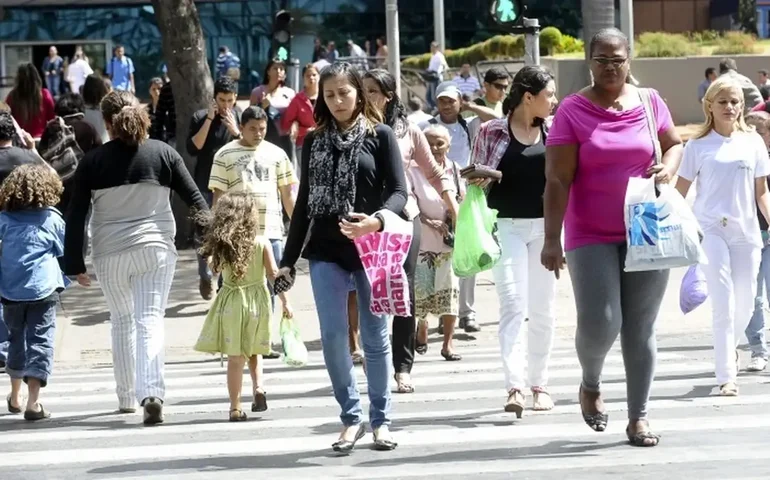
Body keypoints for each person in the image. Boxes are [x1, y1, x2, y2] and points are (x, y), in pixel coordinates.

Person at [541, 28, 683, 447]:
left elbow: (674, 144)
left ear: (629, 60)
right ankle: (590, 383)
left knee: (640, 327)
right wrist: (552, 238)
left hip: (645, 226)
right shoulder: (572, 110)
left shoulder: (649, 101)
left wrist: (669, 167)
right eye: (601, 59)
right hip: (589, 231)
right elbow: (557, 179)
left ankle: (638, 417)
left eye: (617, 59)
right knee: (602, 321)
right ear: (589, 61)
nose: (609, 67)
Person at [278, 62, 407, 452]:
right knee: (335, 339)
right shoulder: (314, 141)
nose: (337, 101)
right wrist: (287, 260)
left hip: (373, 248)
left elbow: (400, 192)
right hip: (326, 251)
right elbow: (302, 207)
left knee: (375, 337)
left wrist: (377, 221)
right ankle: (350, 417)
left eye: (344, 93)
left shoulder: (381, 135)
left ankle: (381, 420)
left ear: (360, 93)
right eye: (329, 95)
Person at [64, 91, 209, 425]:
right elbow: (197, 202)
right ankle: (152, 393)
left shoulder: (93, 161)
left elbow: (76, 214)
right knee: (149, 319)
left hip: (110, 253)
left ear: (106, 122)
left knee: (122, 321)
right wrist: (216, 245)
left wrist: (74, 263)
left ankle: (127, 397)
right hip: (155, 250)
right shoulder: (163, 154)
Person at [363, 69, 459, 393]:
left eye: (374, 91)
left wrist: (451, 204)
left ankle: (402, 368)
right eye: (363, 91)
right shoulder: (352, 129)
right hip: (364, 222)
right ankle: (371, 354)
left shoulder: (408, 131)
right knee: (369, 291)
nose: (368, 97)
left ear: (389, 96)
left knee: (404, 293)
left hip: (404, 218)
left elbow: (433, 171)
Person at [470, 65, 559, 417]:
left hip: (546, 230)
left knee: (543, 310)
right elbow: (473, 177)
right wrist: (482, 177)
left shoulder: (554, 132)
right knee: (512, 304)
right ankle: (515, 387)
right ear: (528, 97)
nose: (553, 101)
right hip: (504, 227)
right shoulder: (492, 131)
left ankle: (540, 384)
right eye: (548, 95)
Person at [675, 77, 770, 396]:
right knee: (723, 300)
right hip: (711, 230)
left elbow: (762, 193)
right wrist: (685, 230)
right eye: (723, 102)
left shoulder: (753, 142)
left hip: (747, 233)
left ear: (742, 106)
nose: (730, 107)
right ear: (710, 106)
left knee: (745, 303)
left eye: (735, 102)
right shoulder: (697, 146)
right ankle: (726, 375)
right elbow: (681, 192)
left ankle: (729, 348)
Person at [194, 192, 293, 421]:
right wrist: (286, 302)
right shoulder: (261, 242)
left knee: (235, 357)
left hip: (231, 302)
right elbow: (273, 275)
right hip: (258, 302)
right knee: (254, 349)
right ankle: (259, 388)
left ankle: (235, 407)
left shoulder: (223, 245)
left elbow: (215, 270)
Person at [0, 164, 67, 421]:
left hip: (11, 290)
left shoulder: (4, 219)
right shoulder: (52, 218)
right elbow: (63, 250)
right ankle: (33, 403)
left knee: (16, 339)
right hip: (43, 288)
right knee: (41, 341)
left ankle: (15, 397)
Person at [0, 111, 49, 375]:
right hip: (22, 235)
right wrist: (33, 149)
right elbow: (53, 178)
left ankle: (3, 349)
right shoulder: (27, 158)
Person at [412, 124, 465, 361]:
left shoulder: (455, 170)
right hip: (423, 241)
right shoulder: (412, 171)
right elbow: (408, 203)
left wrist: (453, 216)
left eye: (439, 143)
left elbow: (462, 200)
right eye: (429, 143)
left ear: (448, 145)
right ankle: (422, 327)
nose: (434, 148)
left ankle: (448, 344)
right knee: (422, 292)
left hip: (449, 243)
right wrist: (429, 221)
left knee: (450, 292)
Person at [186, 76, 242, 300]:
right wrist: (209, 119)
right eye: (221, 100)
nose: (226, 105)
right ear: (214, 99)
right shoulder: (200, 117)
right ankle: (205, 273)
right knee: (205, 231)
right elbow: (194, 148)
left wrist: (236, 131)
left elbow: (248, 146)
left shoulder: (238, 118)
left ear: (236, 99)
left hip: (232, 184)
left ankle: (224, 281)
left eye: (230, 100)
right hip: (205, 182)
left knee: (230, 232)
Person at [743, 110, 770, 372]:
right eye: (749, 131)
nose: (755, 137)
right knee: (753, 298)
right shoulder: (738, 161)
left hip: (768, 237)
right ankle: (758, 350)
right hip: (747, 239)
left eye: (760, 132)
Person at [250, 58, 296, 161]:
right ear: (268, 72)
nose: (278, 71)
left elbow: (295, 115)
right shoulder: (257, 92)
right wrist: (262, 106)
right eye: (275, 68)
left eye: (282, 69)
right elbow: (250, 117)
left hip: (285, 138)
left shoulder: (290, 93)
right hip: (265, 138)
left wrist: (294, 124)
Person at [281, 64, 319, 177]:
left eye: (314, 75)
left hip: (325, 143)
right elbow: (286, 125)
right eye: (308, 75)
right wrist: (303, 129)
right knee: (307, 178)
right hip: (304, 144)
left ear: (319, 77)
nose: (311, 78)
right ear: (303, 78)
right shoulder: (297, 100)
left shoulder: (326, 96)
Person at [5, 63, 56, 140]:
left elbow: (6, 118)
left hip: (20, 141)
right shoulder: (45, 94)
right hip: (41, 140)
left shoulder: (12, 96)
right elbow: (53, 119)